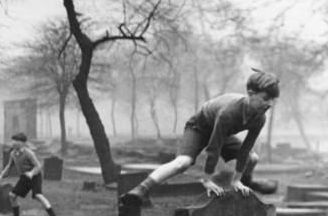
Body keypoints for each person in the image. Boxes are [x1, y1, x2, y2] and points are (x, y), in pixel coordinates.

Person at [120, 69, 280, 206]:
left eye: (273, 99)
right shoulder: (229, 112)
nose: (270, 104)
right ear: (251, 94)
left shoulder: (260, 118)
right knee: (182, 163)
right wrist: (207, 179)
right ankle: (140, 189)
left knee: (253, 158)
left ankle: (246, 181)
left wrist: (236, 180)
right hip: (199, 128)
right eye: (266, 98)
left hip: (222, 133)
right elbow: (213, 148)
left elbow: (245, 149)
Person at [0, 132, 61, 216]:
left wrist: (31, 173)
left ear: (23, 143)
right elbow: (9, 166)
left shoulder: (29, 153)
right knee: (12, 195)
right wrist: (1, 176)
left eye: (17, 141)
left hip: (35, 176)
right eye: (13, 140)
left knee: (38, 196)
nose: (14, 143)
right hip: (24, 177)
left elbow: (38, 166)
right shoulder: (13, 153)